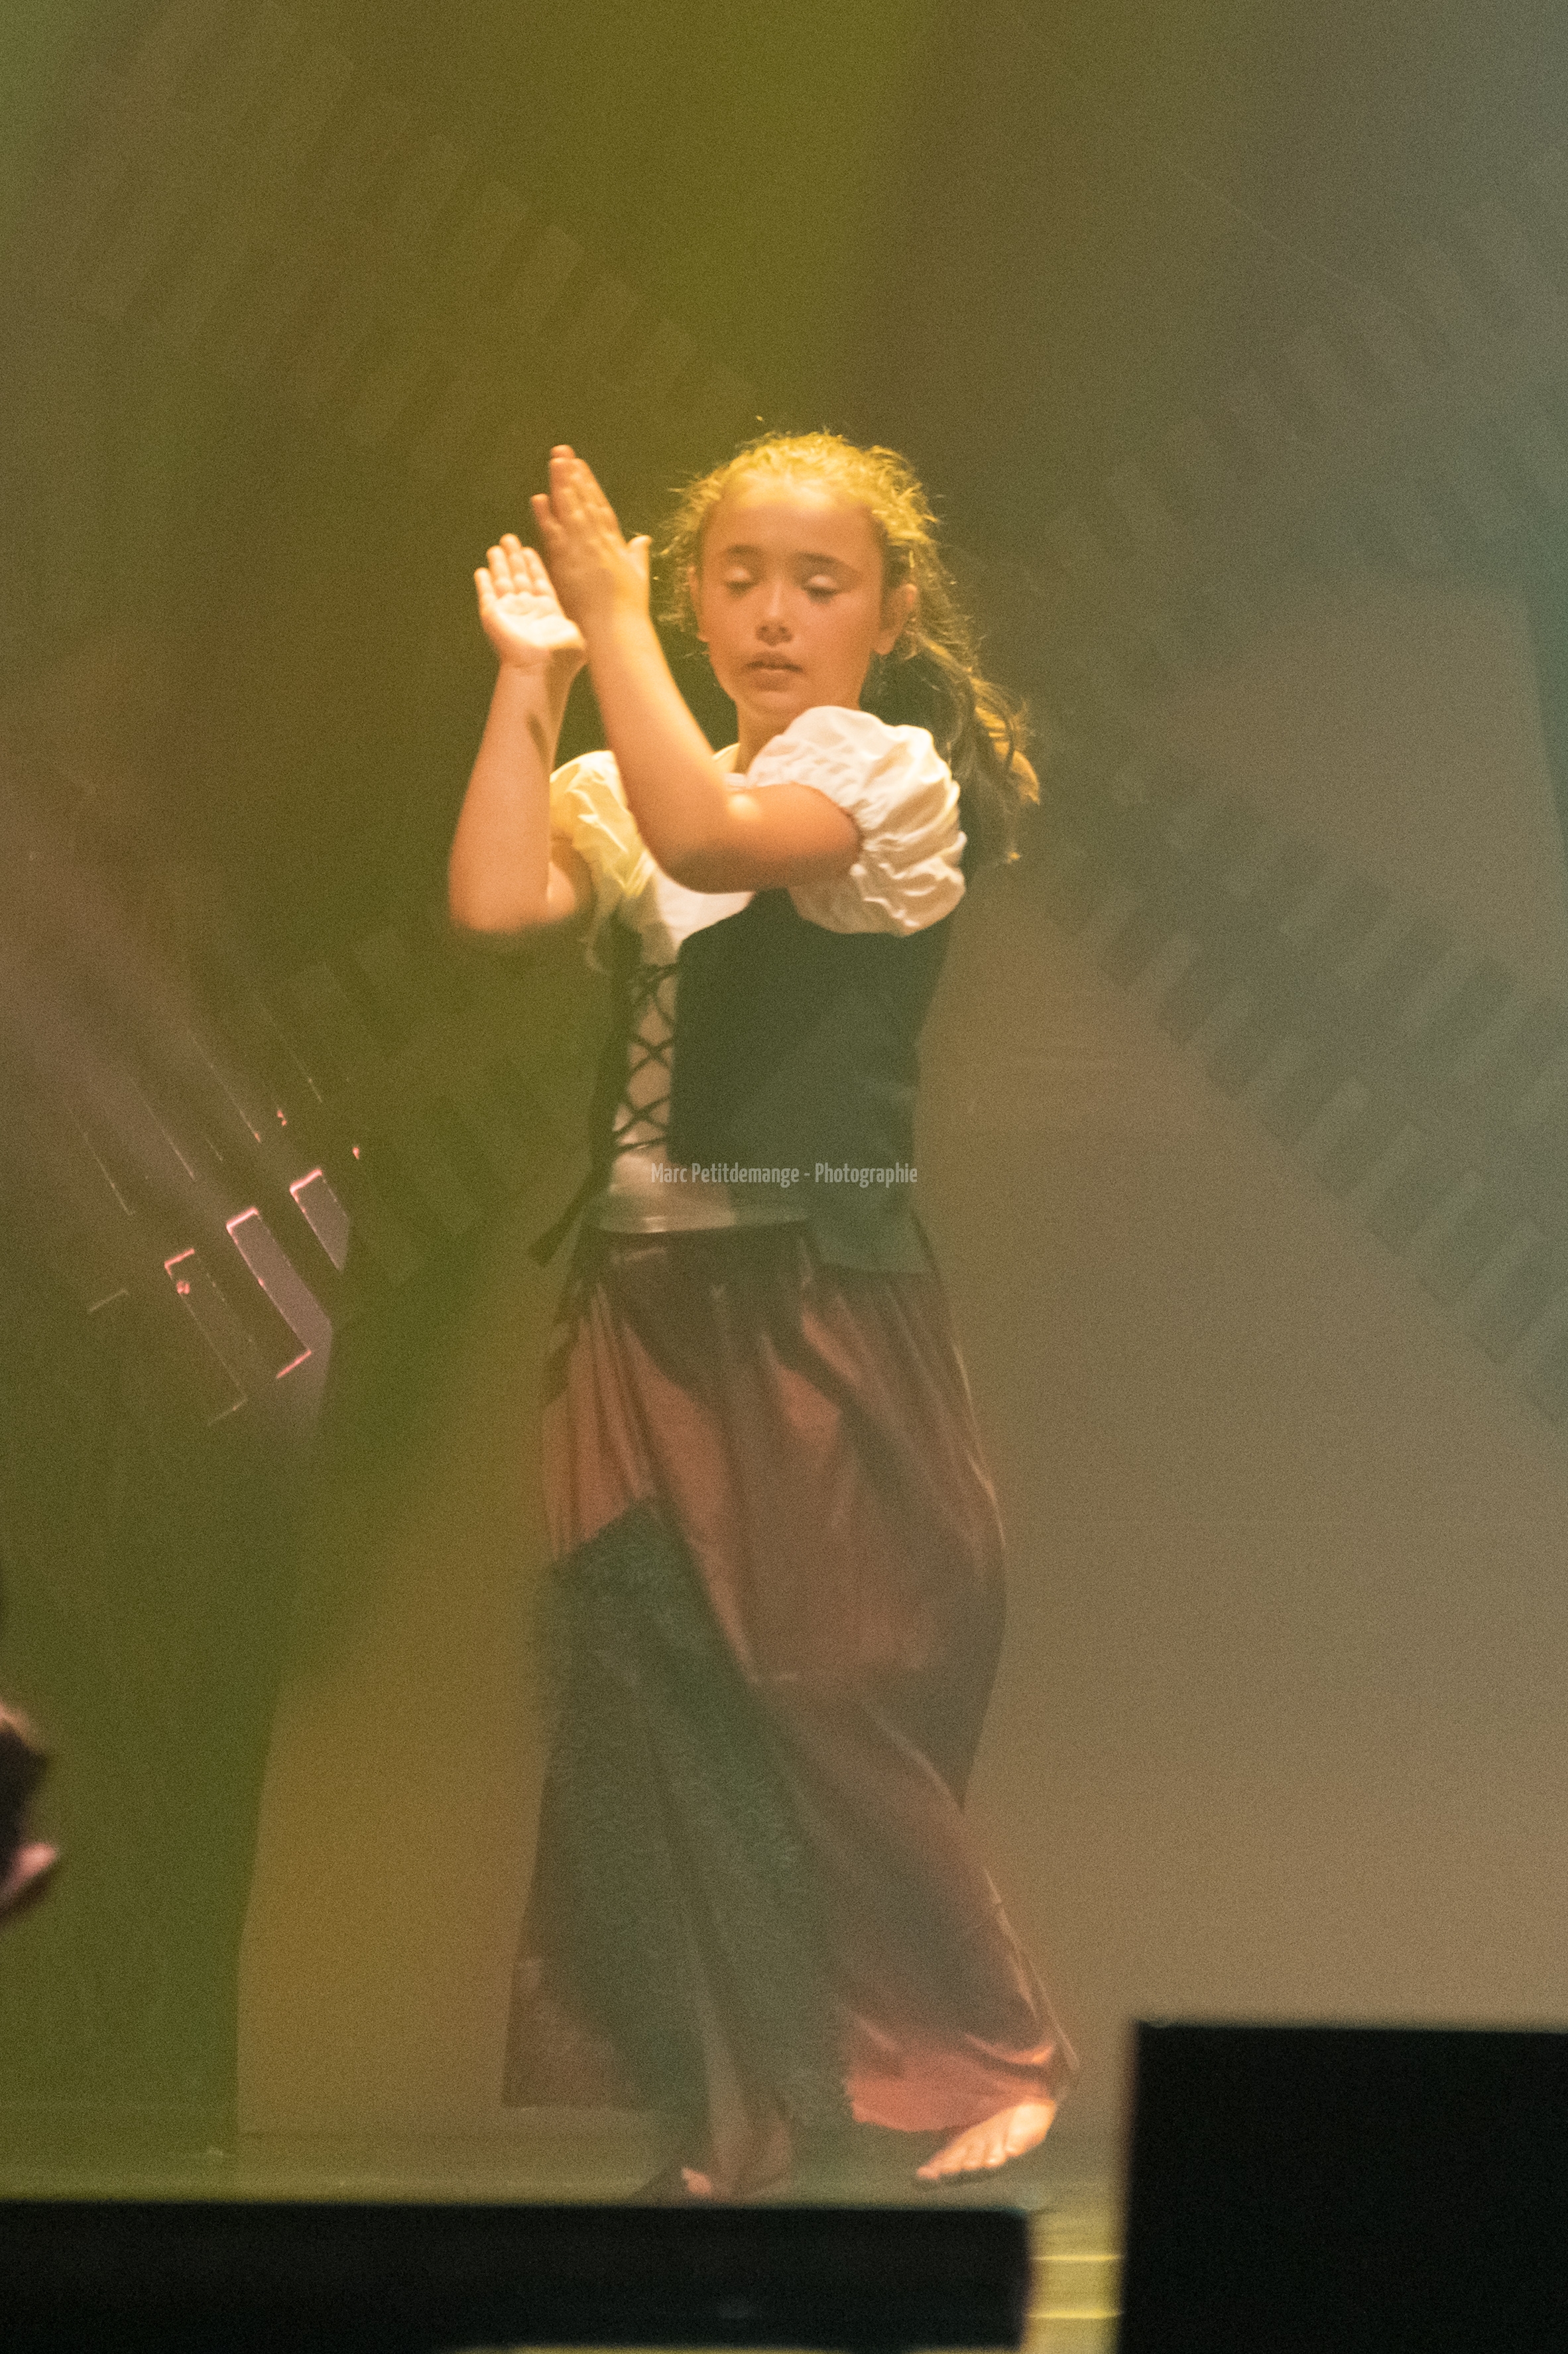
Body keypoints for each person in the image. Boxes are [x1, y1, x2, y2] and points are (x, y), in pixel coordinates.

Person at [448, 433, 1075, 2198]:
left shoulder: (881, 775)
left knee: (821, 1683)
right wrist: (534, 678)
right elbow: (496, 899)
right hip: (636, 1303)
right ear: (697, 598)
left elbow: (716, 834)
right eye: (739, 579)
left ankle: (988, 2043)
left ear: (890, 613)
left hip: (804, 1289)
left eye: (819, 583)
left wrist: (614, 622)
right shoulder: (635, 771)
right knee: (650, 1711)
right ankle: (738, 2115)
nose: (777, 614)